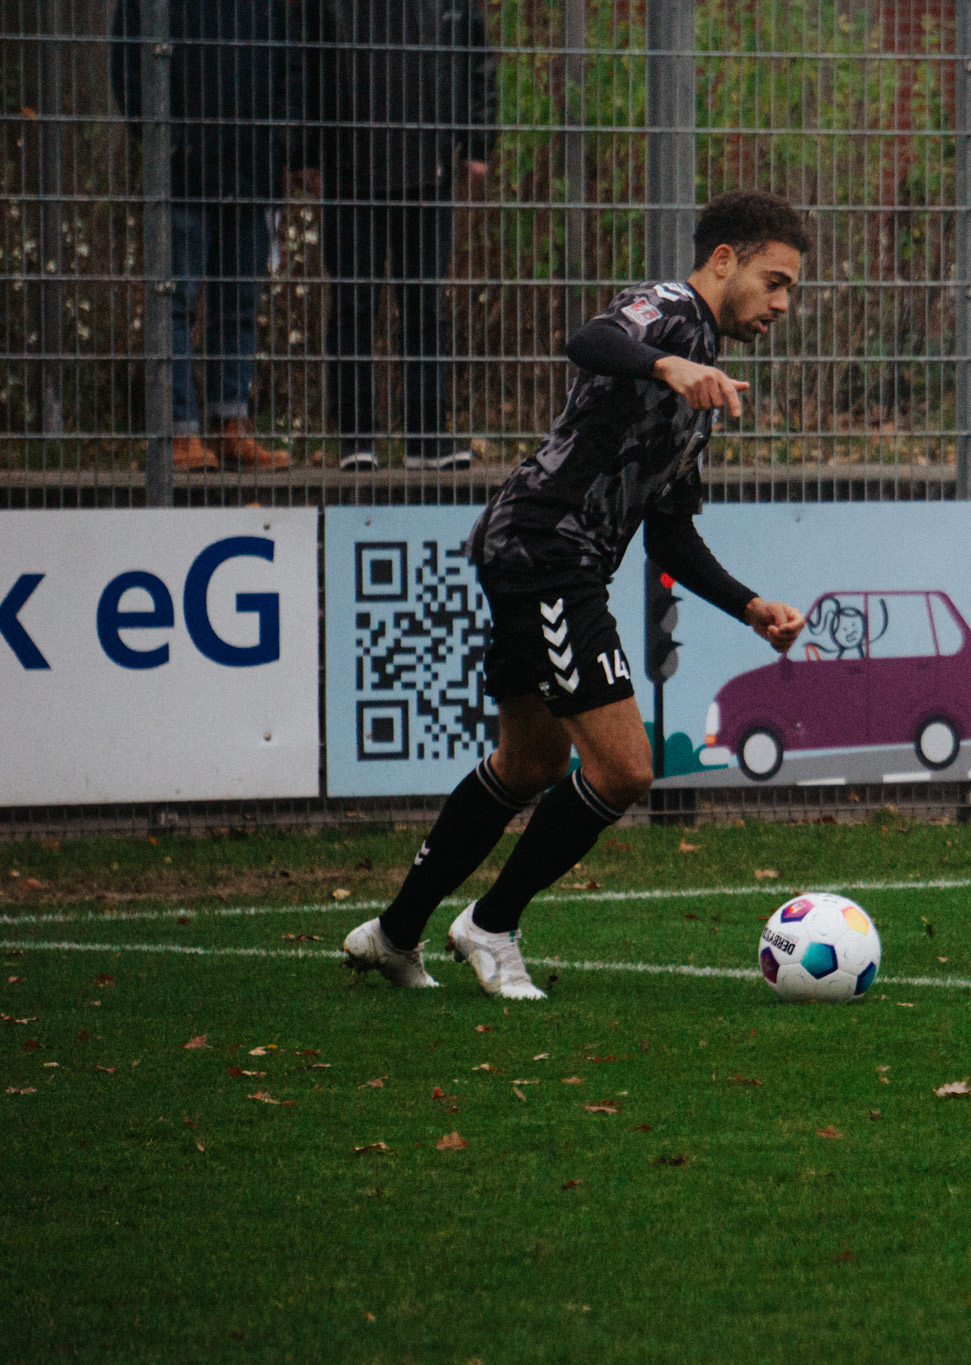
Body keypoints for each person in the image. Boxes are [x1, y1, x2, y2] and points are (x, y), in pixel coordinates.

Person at [343, 191, 813, 997]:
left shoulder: (703, 387)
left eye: (790, 291)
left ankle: (392, 932)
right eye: (774, 281)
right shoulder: (669, 310)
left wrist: (748, 604)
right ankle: (490, 925)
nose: (780, 304)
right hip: (544, 546)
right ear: (724, 260)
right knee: (625, 767)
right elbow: (588, 339)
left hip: (548, 554)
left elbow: (668, 534)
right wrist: (669, 362)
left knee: (529, 761)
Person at [305, 0, 497, 471]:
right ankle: (356, 442)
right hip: (349, 170)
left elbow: (477, 60)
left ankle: (427, 440)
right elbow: (303, 62)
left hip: (428, 170)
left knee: (425, 308)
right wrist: (306, 149)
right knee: (354, 306)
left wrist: (477, 139)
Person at [112, 0, 300, 471]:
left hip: (252, 166)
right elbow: (126, 60)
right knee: (174, 301)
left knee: (239, 307)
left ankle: (230, 425)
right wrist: (160, 137)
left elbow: (293, 63)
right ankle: (179, 432)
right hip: (183, 169)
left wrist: (278, 142)